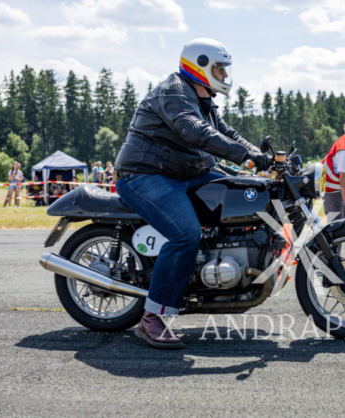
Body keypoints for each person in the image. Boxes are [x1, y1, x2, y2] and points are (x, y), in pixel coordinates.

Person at [114, 38, 272, 349]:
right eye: (219, 69)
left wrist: (261, 156)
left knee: (247, 190)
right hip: (146, 174)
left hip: (185, 174)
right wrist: (246, 156)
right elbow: (195, 131)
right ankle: (152, 317)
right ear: (200, 66)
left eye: (224, 70)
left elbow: (226, 133)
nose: (224, 75)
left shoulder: (203, 99)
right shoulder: (174, 92)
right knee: (186, 234)